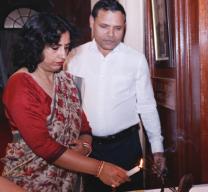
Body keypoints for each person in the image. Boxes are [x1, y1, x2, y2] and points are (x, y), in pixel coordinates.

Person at [1, 13, 129, 192]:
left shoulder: (67, 81)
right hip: (29, 181)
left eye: (66, 47)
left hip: (68, 180)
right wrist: (99, 169)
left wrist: (85, 145)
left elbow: (84, 127)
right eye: (55, 47)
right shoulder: (21, 85)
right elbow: (44, 147)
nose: (63, 55)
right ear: (34, 46)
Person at [66, 0, 166, 191]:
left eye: (117, 28)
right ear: (91, 22)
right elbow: (69, 106)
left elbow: (146, 106)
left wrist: (158, 149)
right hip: (89, 148)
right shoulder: (73, 58)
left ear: (124, 27)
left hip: (126, 147)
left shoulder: (135, 60)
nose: (111, 34)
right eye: (104, 26)